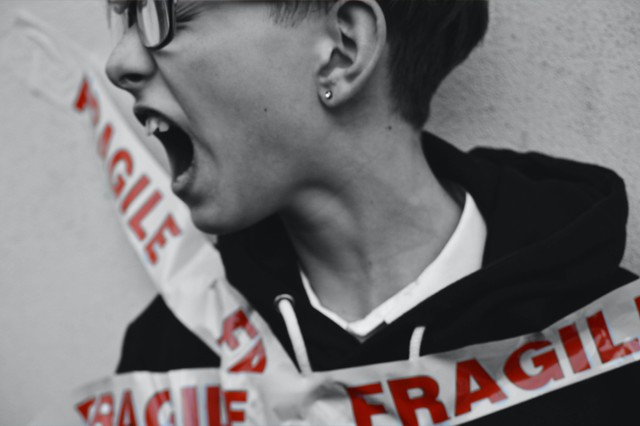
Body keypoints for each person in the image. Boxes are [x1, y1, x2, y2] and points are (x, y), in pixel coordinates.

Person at [105, 0, 638, 424]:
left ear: (343, 49)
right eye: (125, 18)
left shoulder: (614, 350)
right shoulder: (172, 357)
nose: (119, 63)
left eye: (163, 12)